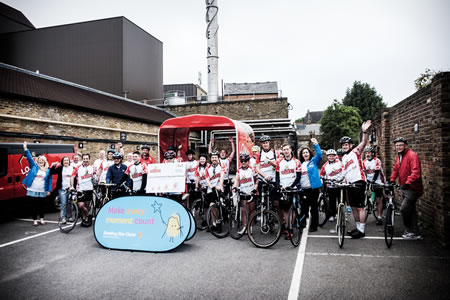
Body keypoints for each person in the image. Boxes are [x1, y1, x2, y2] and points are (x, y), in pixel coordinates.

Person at [340, 120, 372, 239]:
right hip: (350, 184)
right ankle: (357, 228)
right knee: (353, 207)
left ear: (351, 145)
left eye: (346, 144)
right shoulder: (343, 158)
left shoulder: (355, 152)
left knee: (360, 207)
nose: (344, 146)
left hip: (359, 182)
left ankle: (362, 230)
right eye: (343, 145)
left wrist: (364, 131)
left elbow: (364, 142)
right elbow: (345, 173)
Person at [390, 137, 423, 240]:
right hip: (405, 187)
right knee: (411, 210)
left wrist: (408, 182)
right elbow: (396, 169)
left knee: (404, 209)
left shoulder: (412, 155)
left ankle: (409, 230)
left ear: (405, 145)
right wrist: (392, 179)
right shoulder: (399, 156)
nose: (398, 147)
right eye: (397, 145)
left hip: (412, 188)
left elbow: (416, 172)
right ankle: (415, 232)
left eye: (400, 145)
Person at [22, 142, 52, 226]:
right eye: (39, 160)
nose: (41, 162)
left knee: (42, 206)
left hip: (42, 190)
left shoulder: (48, 170)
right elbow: (29, 158)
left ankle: (42, 219)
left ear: (45, 161)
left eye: (42, 160)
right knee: (34, 206)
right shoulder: (34, 166)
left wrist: (49, 190)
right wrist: (25, 148)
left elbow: (49, 181)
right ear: (37, 161)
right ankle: (35, 220)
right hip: (33, 190)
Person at [276, 143, 301, 239]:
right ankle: (288, 227)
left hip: (292, 189)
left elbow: (298, 177)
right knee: (285, 210)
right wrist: (279, 185)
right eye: (284, 150)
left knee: (292, 209)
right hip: (283, 189)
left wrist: (292, 186)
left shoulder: (296, 162)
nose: (286, 151)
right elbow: (277, 176)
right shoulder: (279, 162)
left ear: (291, 150)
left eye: (287, 149)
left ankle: (290, 227)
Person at [298, 138, 323, 232]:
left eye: (307, 152)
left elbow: (320, 155)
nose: (305, 154)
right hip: (303, 189)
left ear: (309, 153)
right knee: (304, 208)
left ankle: (314, 226)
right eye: (303, 152)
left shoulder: (314, 161)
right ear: (301, 155)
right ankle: (302, 223)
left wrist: (316, 144)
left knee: (314, 208)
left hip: (313, 189)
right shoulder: (299, 164)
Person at [233, 153, 258, 234]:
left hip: (251, 192)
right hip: (243, 192)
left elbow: (256, 180)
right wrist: (235, 187)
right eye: (242, 161)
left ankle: (250, 227)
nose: (243, 162)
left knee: (251, 210)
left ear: (248, 161)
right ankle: (244, 227)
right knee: (244, 210)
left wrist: (255, 189)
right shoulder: (239, 170)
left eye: (245, 161)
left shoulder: (252, 170)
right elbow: (237, 180)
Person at [319, 149, 344, 222]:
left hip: (340, 184)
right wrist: (323, 181)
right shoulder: (325, 165)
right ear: (327, 157)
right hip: (330, 185)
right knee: (332, 201)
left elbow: (344, 171)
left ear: (335, 156)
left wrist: (343, 179)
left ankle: (341, 214)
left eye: (333, 156)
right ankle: (332, 215)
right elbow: (321, 174)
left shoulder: (340, 163)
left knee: (341, 200)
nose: (331, 157)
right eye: (329, 156)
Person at [363, 146, 386, 225]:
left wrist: (373, 181)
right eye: (366, 153)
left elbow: (377, 172)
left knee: (378, 199)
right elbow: (363, 172)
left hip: (378, 181)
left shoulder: (377, 161)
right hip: (369, 180)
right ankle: (368, 204)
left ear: (373, 153)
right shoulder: (364, 162)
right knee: (366, 193)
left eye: (369, 153)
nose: (367, 154)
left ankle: (379, 217)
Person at [71, 153, 95, 227]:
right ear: (82, 159)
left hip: (89, 189)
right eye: (84, 159)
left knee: (87, 205)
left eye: (87, 159)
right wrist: (72, 186)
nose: (85, 160)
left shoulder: (92, 167)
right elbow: (72, 177)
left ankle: (84, 219)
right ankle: (88, 215)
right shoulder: (78, 167)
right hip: (80, 189)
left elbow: (95, 176)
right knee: (81, 205)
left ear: (89, 159)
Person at [205, 151, 225, 229]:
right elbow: (207, 179)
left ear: (218, 158)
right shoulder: (207, 168)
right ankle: (214, 223)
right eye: (212, 157)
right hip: (211, 190)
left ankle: (218, 221)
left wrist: (219, 186)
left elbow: (222, 177)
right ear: (210, 159)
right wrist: (212, 187)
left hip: (219, 188)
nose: (214, 159)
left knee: (219, 206)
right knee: (212, 206)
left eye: (215, 157)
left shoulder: (221, 166)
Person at [50, 156, 73, 224]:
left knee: (70, 203)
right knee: (63, 203)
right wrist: (53, 166)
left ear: (69, 161)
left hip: (70, 189)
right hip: (62, 189)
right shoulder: (60, 168)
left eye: (67, 160)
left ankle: (69, 216)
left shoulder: (72, 168)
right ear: (62, 162)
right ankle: (63, 218)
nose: (66, 161)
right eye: (64, 160)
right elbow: (52, 172)